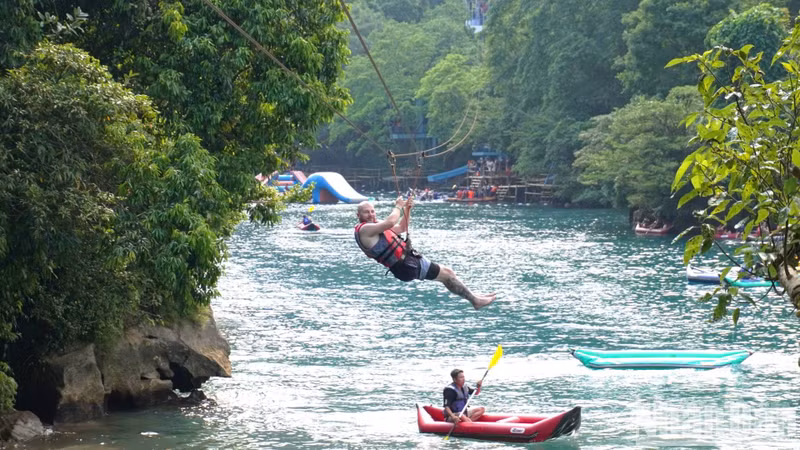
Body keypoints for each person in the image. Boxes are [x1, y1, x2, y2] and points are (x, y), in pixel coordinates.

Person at [354, 197, 496, 309]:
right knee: (447, 274)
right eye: (366, 212)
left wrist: (407, 209)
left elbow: (402, 227)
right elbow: (390, 222)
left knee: (448, 274)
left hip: (408, 262)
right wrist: (398, 206)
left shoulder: (375, 227)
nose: (371, 215)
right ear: (358, 215)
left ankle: (474, 297)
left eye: (372, 211)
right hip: (405, 266)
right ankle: (475, 300)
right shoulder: (364, 230)